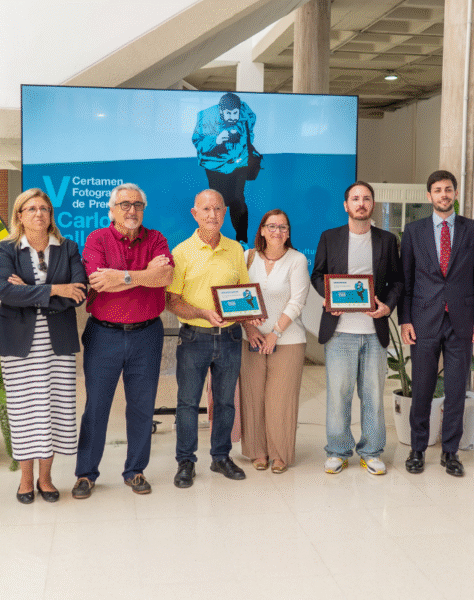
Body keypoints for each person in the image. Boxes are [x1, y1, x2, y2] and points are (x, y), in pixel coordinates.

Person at [72, 183, 173, 498]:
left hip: (147, 335)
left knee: (142, 407)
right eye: (125, 204)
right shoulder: (97, 239)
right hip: (104, 334)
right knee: (96, 407)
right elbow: (99, 283)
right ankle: (86, 474)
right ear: (112, 210)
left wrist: (123, 276)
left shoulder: (156, 239)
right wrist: (144, 275)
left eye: (138, 204)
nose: (132, 210)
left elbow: (165, 277)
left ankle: (135, 471)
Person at [0, 189, 88, 504]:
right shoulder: (7, 249)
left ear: (51, 215)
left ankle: (45, 479)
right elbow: (6, 293)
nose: (38, 213)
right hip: (18, 344)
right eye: (31, 208)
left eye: (44, 208)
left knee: (54, 409)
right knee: (24, 412)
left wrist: (32, 292)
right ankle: (25, 480)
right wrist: (56, 289)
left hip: (57, 344)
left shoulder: (68, 247)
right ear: (19, 215)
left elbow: (79, 293)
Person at [400, 169, 474, 478]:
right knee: (422, 388)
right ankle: (417, 449)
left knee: (455, 390)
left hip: (461, 322)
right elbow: (406, 281)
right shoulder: (413, 231)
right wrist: (405, 320)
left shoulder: (473, 229)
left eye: (448, 189)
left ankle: (450, 452)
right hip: (424, 320)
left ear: (455, 193)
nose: (443, 194)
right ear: (429, 196)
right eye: (437, 190)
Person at [311, 181, 402, 475]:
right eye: (355, 198)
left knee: (373, 395)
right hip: (340, 331)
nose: (360, 203)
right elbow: (317, 275)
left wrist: (387, 306)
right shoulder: (330, 237)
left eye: (366, 198)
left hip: (374, 331)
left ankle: (371, 452)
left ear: (372, 204)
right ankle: (338, 451)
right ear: (346, 205)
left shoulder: (386, 240)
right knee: (339, 395)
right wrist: (328, 297)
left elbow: (398, 281)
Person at [166, 189, 251, 488]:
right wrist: (202, 313)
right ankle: (185, 461)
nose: (212, 215)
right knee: (188, 403)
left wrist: (250, 315)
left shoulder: (235, 249)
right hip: (194, 338)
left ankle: (220, 457)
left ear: (225, 213)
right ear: (195, 214)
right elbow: (172, 301)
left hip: (230, 337)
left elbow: (243, 292)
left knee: (226, 402)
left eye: (217, 209)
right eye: (206, 209)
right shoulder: (181, 252)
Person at [240, 209, 310, 473]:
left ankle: (280, 454)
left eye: (283, 227)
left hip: (288, 340)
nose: (277, 231)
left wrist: (275, 333)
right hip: (251, 339)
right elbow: (238, 295)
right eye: (271, 226)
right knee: (253, 396)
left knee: (281, 399)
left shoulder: (297, 260)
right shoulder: (247, 257)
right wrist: (249, 328)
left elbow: (297, 301)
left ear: (288, 233)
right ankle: (257, 452)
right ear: (261, 230)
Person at [192, 92, 256, 244]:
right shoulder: (206, 118)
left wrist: (240, 138)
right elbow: (197, 142)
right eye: (228, 113)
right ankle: (212, 237)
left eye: (235, 113)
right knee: (217, 203)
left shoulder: (246, 112)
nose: (232, 117)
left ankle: (242, 240)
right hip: (215, 165)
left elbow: (250, 130)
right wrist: (216, 140)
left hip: (238, 163)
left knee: (238, 199)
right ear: (221, 111)